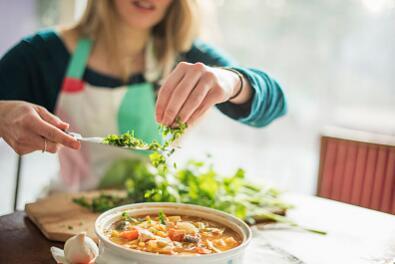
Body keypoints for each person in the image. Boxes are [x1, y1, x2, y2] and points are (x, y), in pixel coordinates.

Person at [0, 0, 287, 191]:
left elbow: (277, 104)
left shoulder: (187, 53)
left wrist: (233, 81)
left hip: (156, 221)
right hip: (67, 219)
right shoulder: (45, 54)